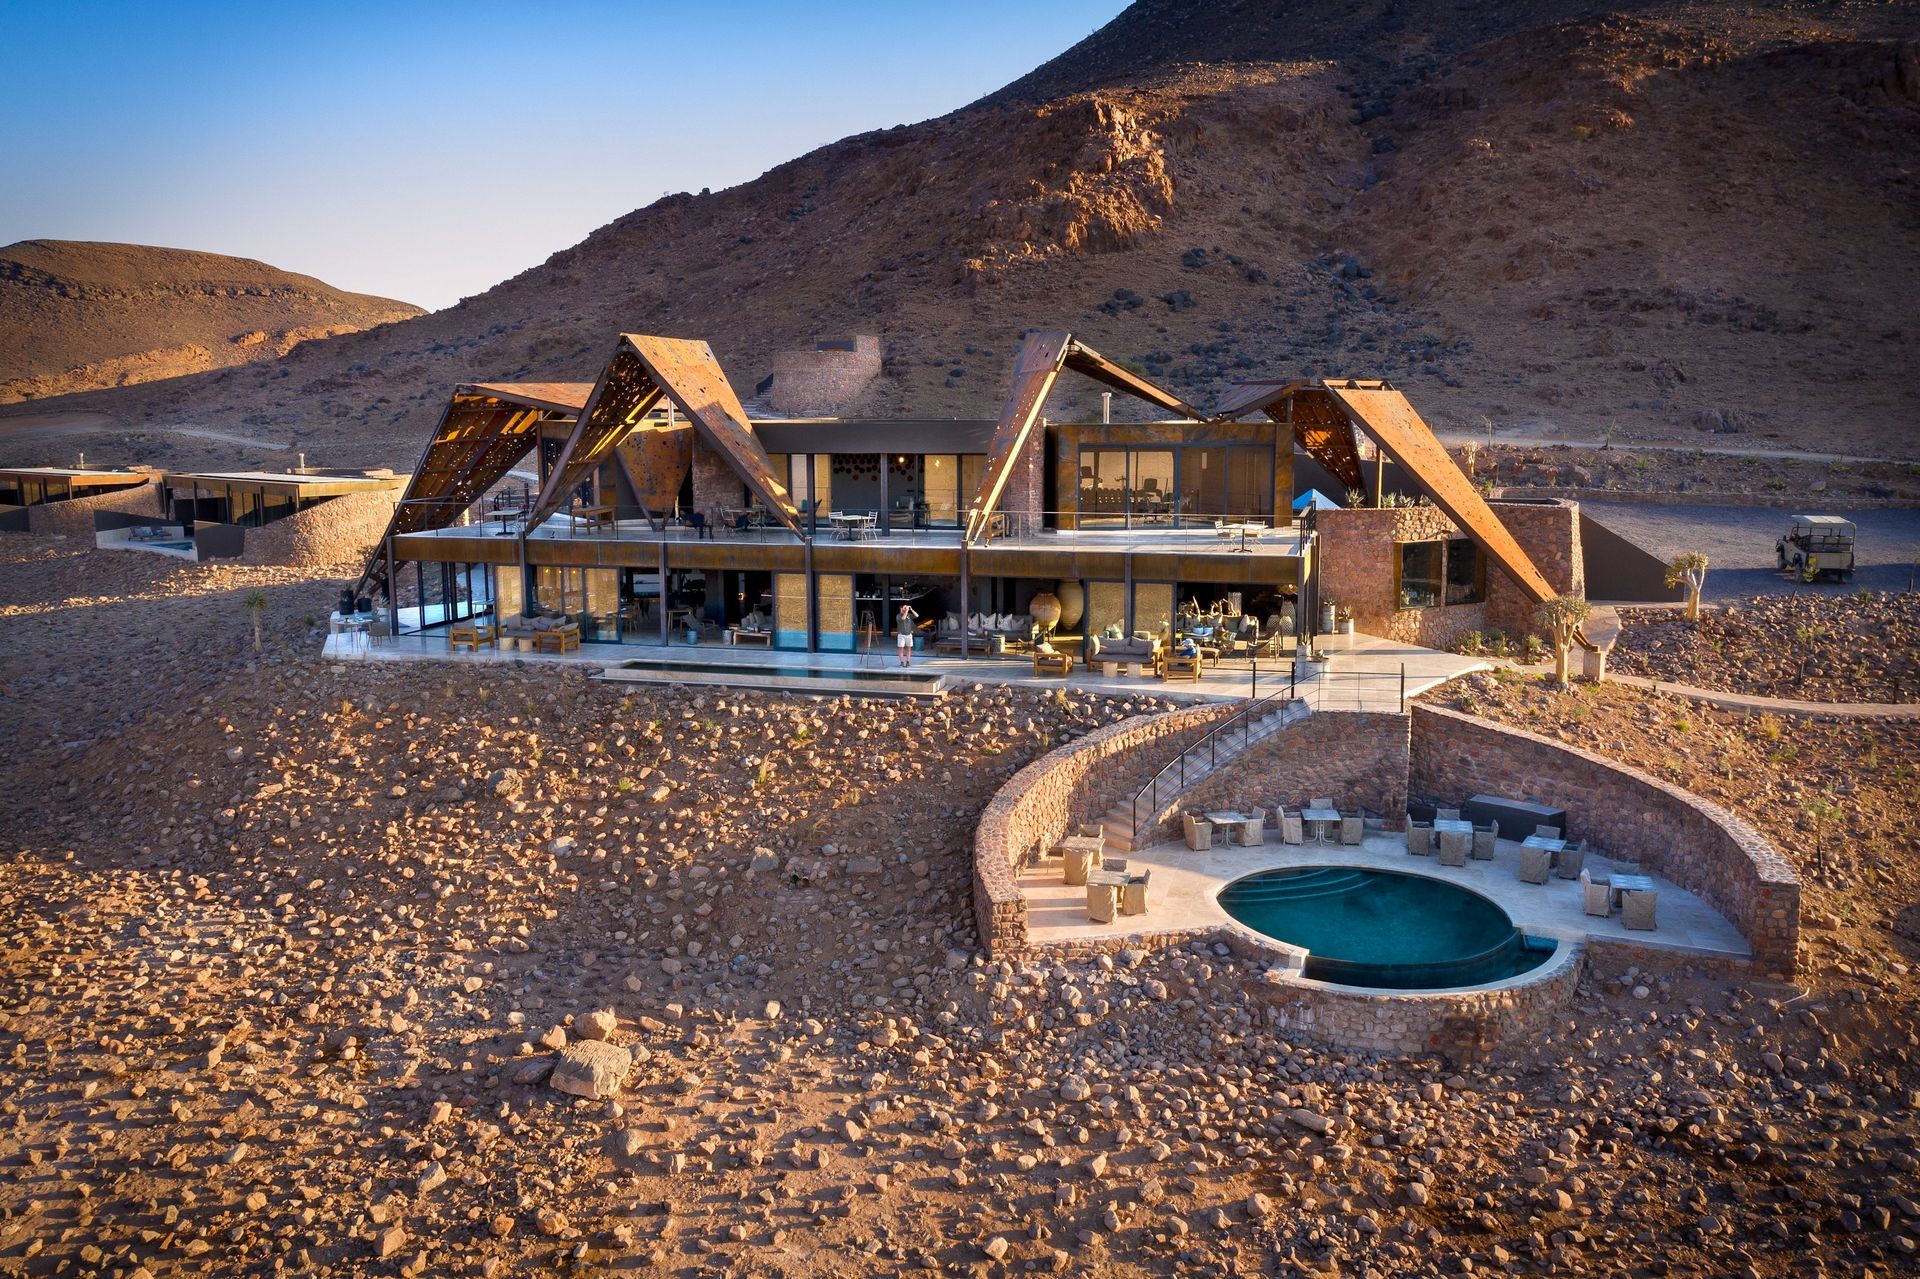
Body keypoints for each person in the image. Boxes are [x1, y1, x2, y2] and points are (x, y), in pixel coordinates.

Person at [896, 602, 920, 666]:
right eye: (904, 607)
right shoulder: (898, 616)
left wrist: (911, 610)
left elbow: (917, 615)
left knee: (909, 649)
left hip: (909, 635)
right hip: (901, 635)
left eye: (906, 607)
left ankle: (908, 662)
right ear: (901, 608)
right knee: (901, 649)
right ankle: (901, 662)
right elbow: (903, 618)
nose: (906, 608)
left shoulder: (909, 615)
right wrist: (906, 610)